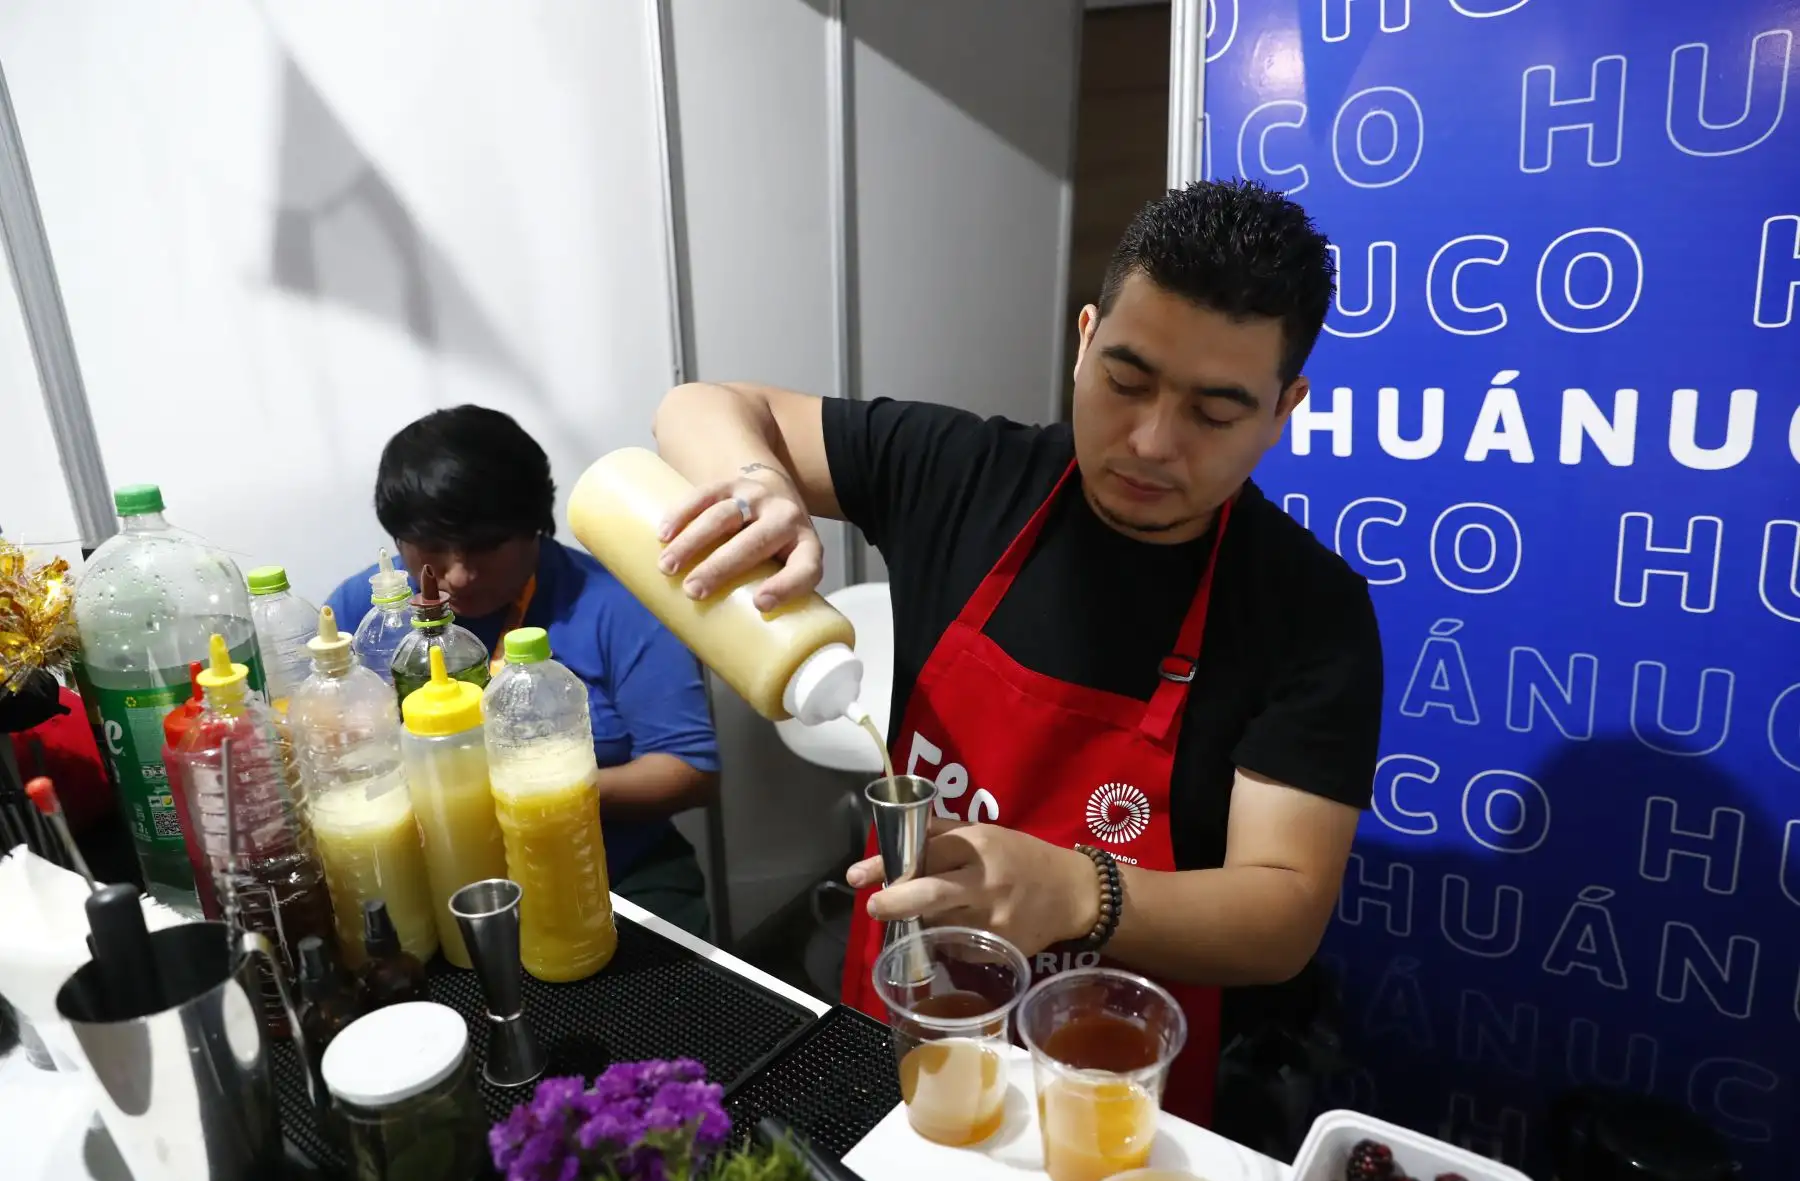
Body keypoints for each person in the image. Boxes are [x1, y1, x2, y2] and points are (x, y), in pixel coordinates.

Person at [650, 179, 1381, 1127]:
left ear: (1284, 409)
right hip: (907, 1022)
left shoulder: (1309, 610)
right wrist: (758, 484)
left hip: (1113, 1078)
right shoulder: (962, 474)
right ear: (1084, 339)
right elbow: (698, 406)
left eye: (1215, 411)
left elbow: (1281, 915)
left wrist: (1083, 890)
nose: (1153, 442)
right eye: (1125, 380)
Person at [324, 406, 720, 937]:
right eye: (434, 549)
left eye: (488, 546)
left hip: (608, 874)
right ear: (398, 539)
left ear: (535, 526)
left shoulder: (615, 605)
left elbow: (690, 769)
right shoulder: (367, 617)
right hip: (433, 879)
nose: (459, 576)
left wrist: (537, 788)